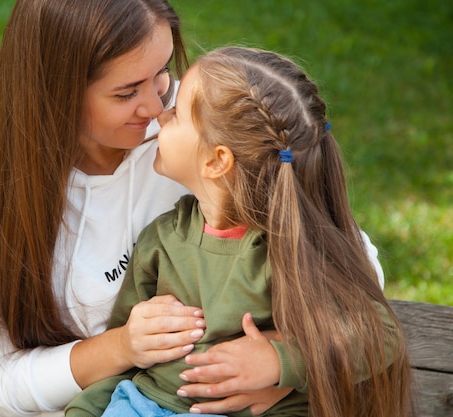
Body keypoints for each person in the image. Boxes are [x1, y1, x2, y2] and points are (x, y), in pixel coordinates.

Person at [0, 0, 386, 415]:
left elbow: (353, 266)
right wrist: (122, 348)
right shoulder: (16, 200)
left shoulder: (201, 135)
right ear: (56, 91)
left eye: (163, 73)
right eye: (126, 93)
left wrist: (280, 361)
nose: (155, 109)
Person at [65, 47, 414, 417]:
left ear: (217, 161)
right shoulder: (161, 241)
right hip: (144, 405)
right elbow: (128, 363)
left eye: (178, 114)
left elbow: (379, 333)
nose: (161, 116)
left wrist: (281, 363)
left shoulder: (282, 250)